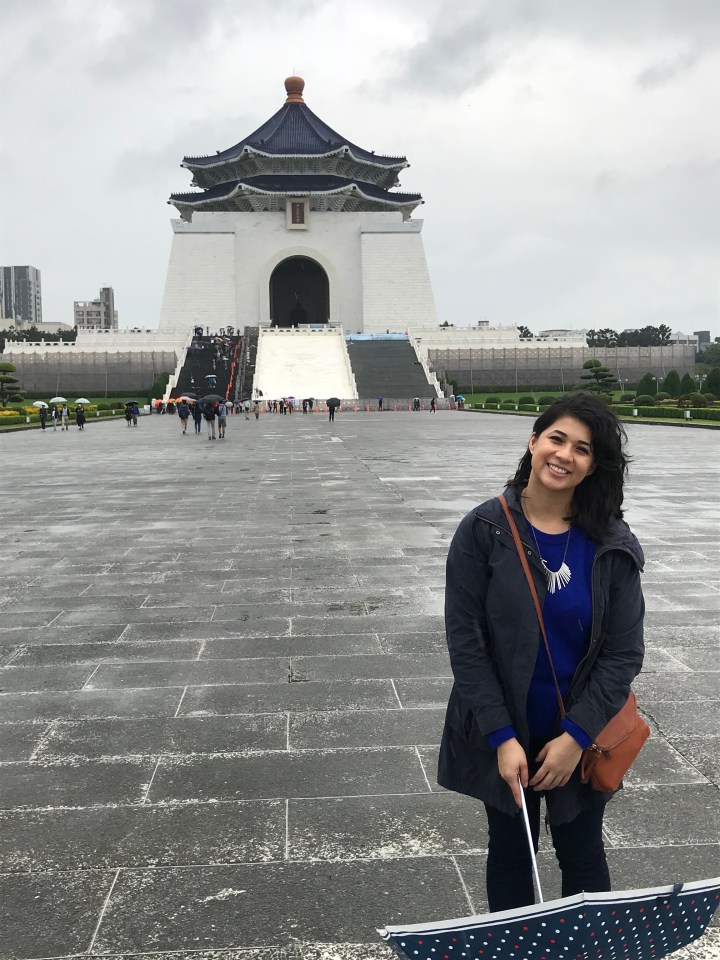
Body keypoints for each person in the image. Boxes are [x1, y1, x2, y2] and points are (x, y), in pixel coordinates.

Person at [438, 393, 645, 913]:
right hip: (507, 729)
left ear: (593, 465)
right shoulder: (483, 531)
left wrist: (576, 737)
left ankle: (588, 948)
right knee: (512, 854)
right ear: (533, 442)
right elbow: (467, 646)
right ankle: (516, 947)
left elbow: (623, 653)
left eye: (583, 448)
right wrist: (501, 737)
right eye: (557, 438)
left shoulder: (610, 541)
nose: (565, 455)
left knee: (583, 853)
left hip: (582, 734)